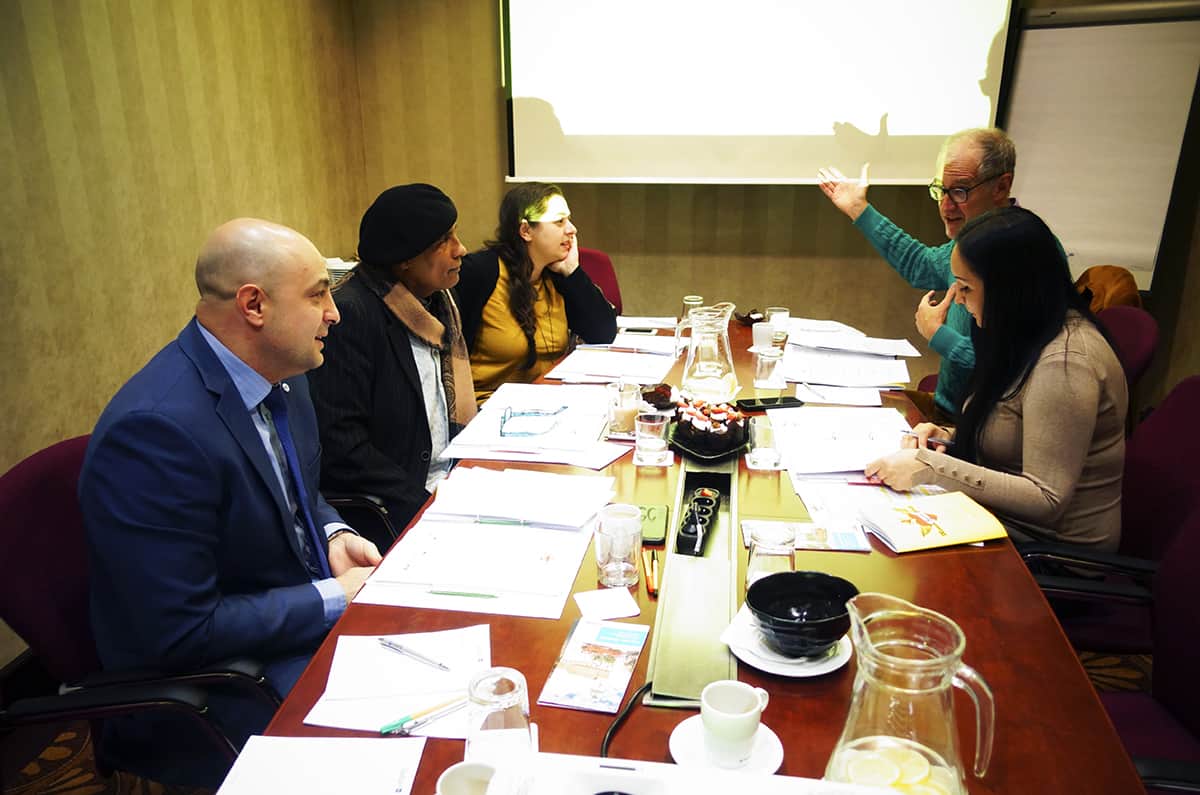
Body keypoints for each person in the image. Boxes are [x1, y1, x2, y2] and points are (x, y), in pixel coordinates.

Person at [79, 218, 382, 786]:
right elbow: (179, 632)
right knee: (392, 758)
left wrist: (333, 533)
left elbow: (298, 485)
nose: (334, 314)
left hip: (284, 624)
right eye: (318, 294)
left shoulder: (284, 371)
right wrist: (334, 597)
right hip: (212, 682)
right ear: (254, 305)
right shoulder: (156, 433)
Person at [865, 207, 1127, 551]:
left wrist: (932, 466)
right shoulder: (1026, 331)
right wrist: (950, 438)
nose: (959, 300)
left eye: (966, 288)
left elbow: (1046, 498)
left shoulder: (1066, 363)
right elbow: (1015, 430)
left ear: (1010, 289)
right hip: (999, 522)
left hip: (1046, 553)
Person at [817, 128, 1016, 423]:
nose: (946, 206)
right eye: (940, 190)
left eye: (960, 191)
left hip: (978, 429)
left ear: (1001, 187)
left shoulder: (1024, 255)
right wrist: (859, 209)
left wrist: (939, 335)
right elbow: (921, 265)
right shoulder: (974, 239)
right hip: (946, 411)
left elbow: (1016, 371)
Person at [309, 184, 477, 531]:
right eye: (443, 241)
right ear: (404, 259)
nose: (461, 249)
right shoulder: (352, 315)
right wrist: (427, 505)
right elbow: (343, 447)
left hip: (450, 481)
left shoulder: (441, 301)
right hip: (395, 506)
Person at [456, 182, 617, 403]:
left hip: (546, 401)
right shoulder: (480, 273)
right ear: (526, 231)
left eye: (568, 220)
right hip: (488, 406)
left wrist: (573, 272)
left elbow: (603, 334)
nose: (572, 229)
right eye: (559, 221)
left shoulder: (555, 274)